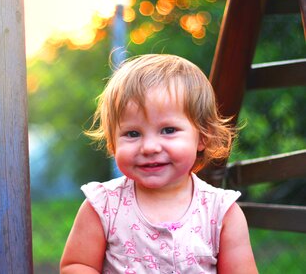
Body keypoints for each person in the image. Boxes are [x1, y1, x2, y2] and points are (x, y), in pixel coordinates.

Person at [60, 54, 258, 273]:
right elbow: (77, 265)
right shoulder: (102, 206)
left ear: (203, 136)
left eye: (168, 130)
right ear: (112, 141)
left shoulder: (221, 213)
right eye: (132, 133)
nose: (149, 147)